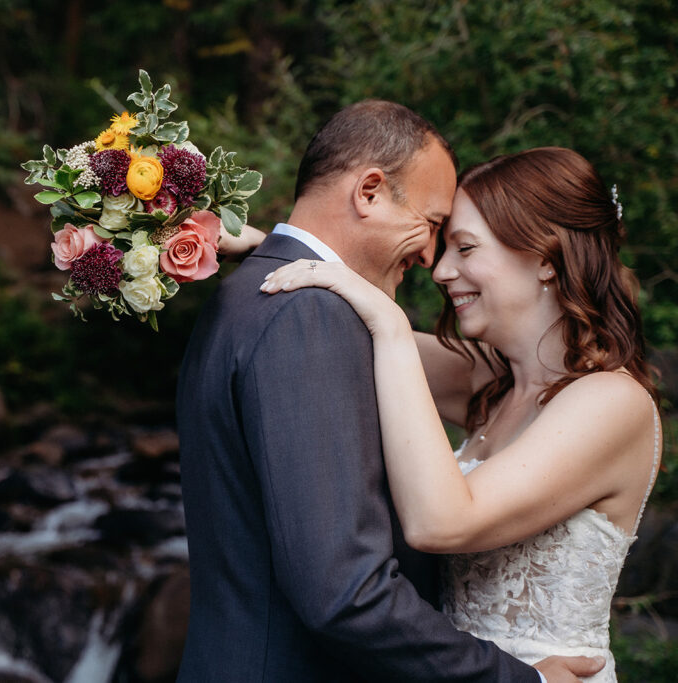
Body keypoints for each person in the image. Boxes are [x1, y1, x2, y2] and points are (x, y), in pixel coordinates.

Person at [177, 101, 602, 681]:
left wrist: (265, 249)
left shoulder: (258, 295)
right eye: (433, 227)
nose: (434, 261)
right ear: (369, 192)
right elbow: (345, 593)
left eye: (462, 246)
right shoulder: (308, 319)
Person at [260, 146, 660, 683]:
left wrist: (393, 324)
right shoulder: (492, 384)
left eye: (465, 248)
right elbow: (342, 322)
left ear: (546, 256)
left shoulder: (613, 403)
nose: (442, 270)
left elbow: (440, 523)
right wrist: (264, 251)